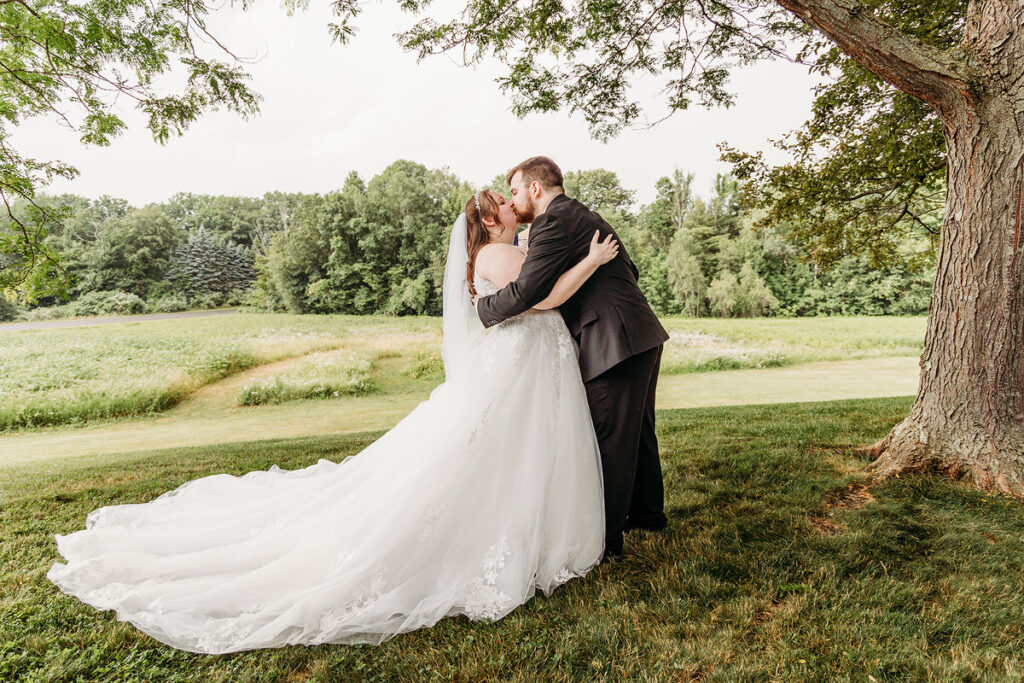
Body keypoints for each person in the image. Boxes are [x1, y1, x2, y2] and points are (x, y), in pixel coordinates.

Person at [46, 189, 619, 654]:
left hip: (530, 365)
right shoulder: (498, 254)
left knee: (518, 450)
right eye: (503, 199)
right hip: (523, 365)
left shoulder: (496, 252)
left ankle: (537, 532)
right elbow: (542, 298)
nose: (511, 201)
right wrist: (590, 260)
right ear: (490, 220)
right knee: (507, 450)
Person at [474, 156, 671, 562]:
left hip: (612, 338)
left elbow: (529, 291)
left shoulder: (552, 221)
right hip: (637, 332)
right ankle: (648, 515)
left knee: (611, 437)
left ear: (534, 188)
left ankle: (608, 541)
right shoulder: (581, 215)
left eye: (514, 191)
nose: (514, 200)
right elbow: (627, 268)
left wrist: (482, 310)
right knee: (637, 430)